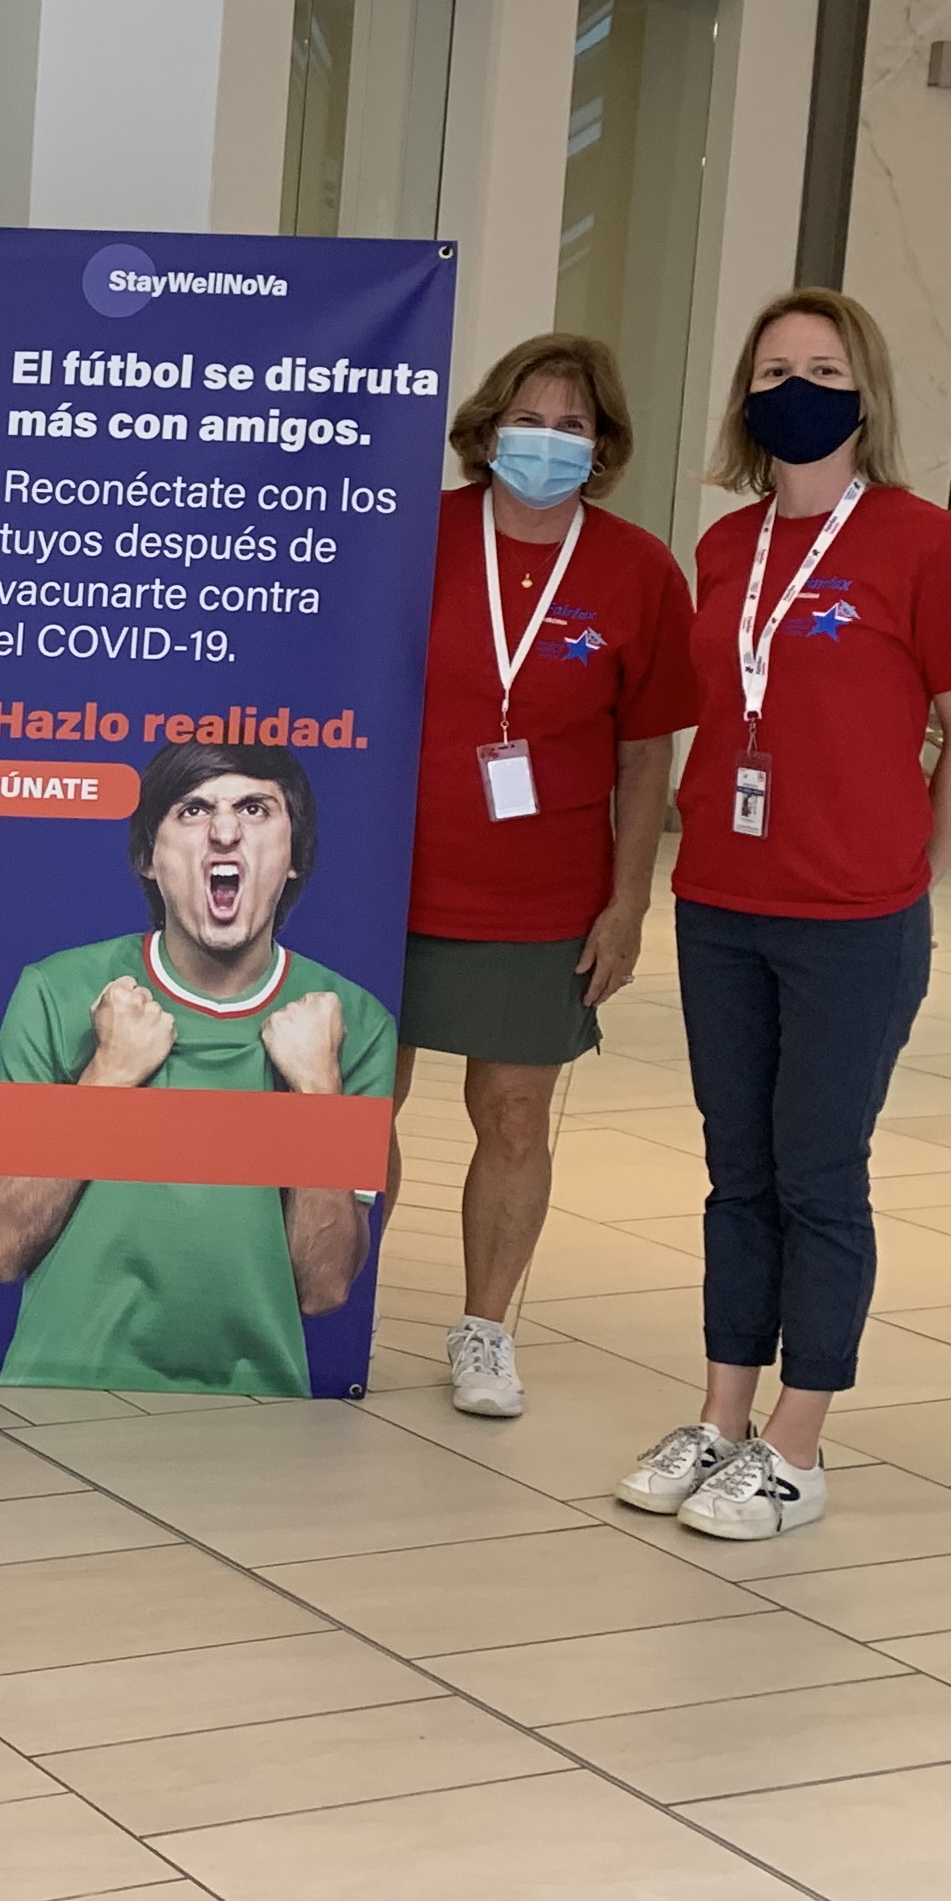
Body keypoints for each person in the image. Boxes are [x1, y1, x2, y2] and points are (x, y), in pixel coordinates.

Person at [619, 290, 951, 1541]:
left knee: (820, 1173)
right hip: (723, 900)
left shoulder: (923, 542)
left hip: (853, 915)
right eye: (775, 367)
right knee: (739, 1171)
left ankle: (799, 1442)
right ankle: (722, 1417)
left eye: (824, 367)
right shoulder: (726, 545)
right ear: (746, 395)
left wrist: (913, 870)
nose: (798, 386)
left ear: (865, 391)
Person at [391, 333, 697, 1419]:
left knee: (514, 1113)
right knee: (354, 1101)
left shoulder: (638, 570)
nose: (547, 441)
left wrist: (628, 901)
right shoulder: (410, 535)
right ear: (488, 425)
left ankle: (485, 1329)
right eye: (530, 419)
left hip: (542, 891)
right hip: (389, 877)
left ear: (602, 445)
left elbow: (647, 751)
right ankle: (324, 1305)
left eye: (572, 426)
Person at [0, 743, 398, 1393]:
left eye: (256, 808)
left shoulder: (354, 1025)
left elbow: (325, 1286)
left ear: (293, 859)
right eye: (193, 809)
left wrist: (319, 1097)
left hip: (260, 1412)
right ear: (148, 858)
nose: (225, 832)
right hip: (62, 1389)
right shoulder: (57, 992)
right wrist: (107, 1078)